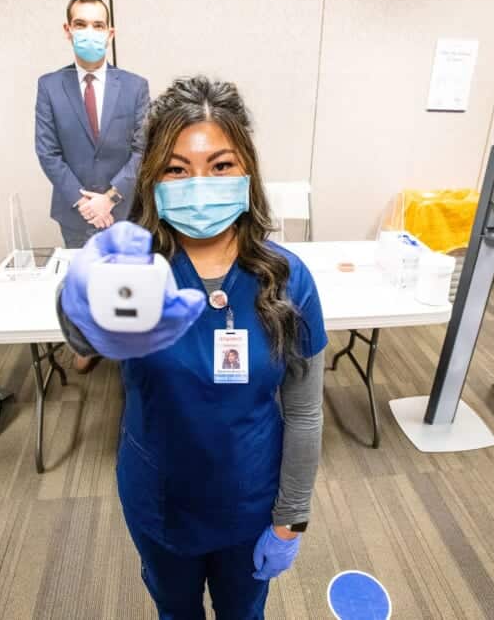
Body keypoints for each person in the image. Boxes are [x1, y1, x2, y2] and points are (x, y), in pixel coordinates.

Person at [57, 76, 327, 619]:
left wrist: (291, 518)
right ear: (153, 179)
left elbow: (304, 411)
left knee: (243, 612)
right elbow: (82, 338)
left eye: (220, 166)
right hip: (160, 501)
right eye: (177, 169)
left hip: (250, 501)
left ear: (246, 172)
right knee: (175, 609)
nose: (199, 184)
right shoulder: (136, 272)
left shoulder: (287, 278)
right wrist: (77, 297)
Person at [35, 0, 150, 372]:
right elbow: (48, 152)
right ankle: (88, 343)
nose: (90, 32)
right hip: (76, 212)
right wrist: (85, 202)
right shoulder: (50, 86)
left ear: (110, 33)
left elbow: (143, 150)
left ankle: (128, 348)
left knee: (127, 283)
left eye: (98, 25)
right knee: (86, 282)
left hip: (126, 208)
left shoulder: (134, 86)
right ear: (68, 30)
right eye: (81, 24)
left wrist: (110, 198)